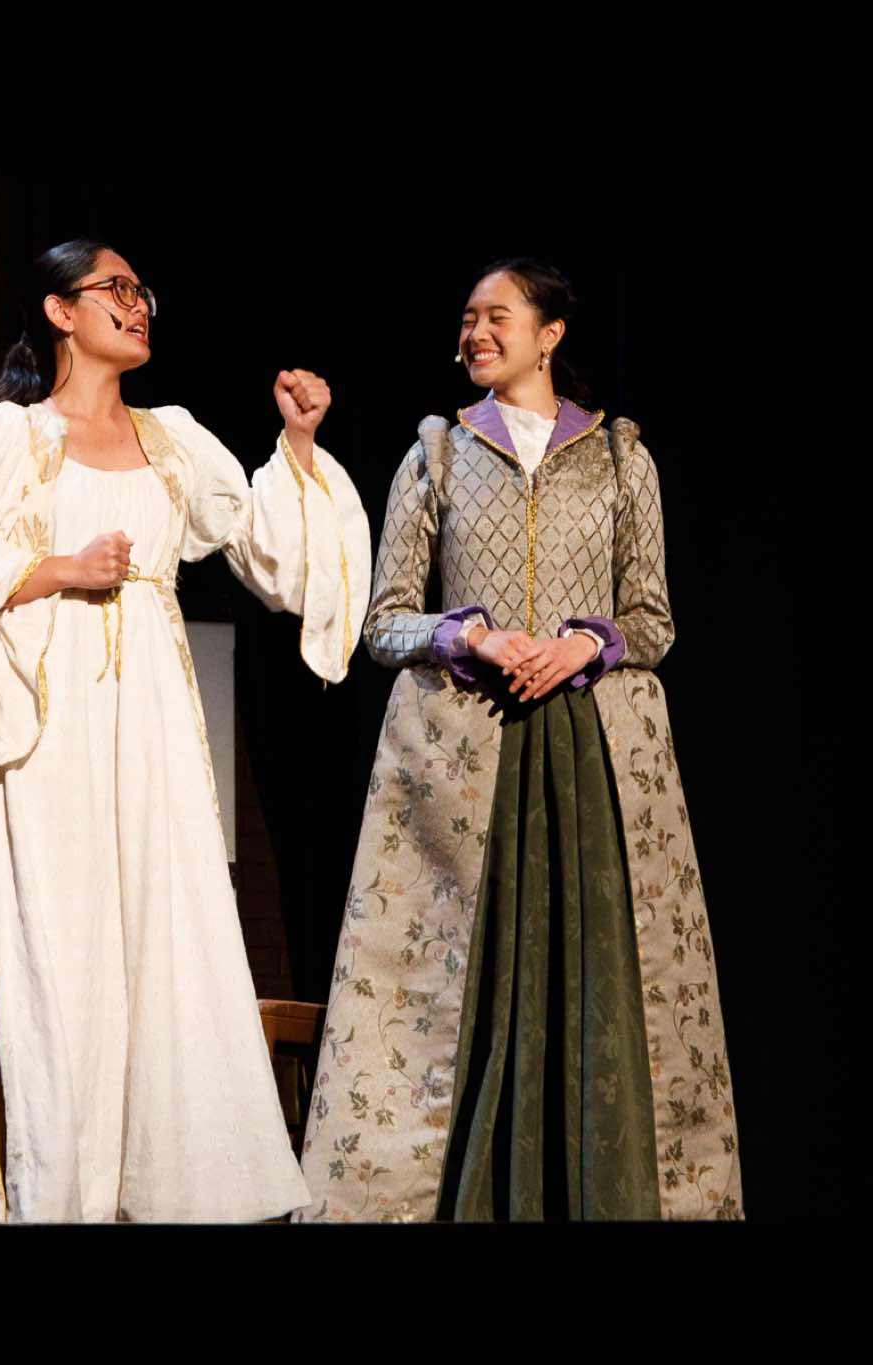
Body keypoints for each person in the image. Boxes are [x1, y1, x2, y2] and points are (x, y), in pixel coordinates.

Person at [0, 241, 369, 1221]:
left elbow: (271, 557)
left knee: (167, 930)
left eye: (141, 290)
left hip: (153, 717)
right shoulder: (7, 438)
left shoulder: (173, 438)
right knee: (59, 951)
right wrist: (62, 568)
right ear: (61, 311)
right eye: (114, 288)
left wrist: (297, 444)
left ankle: (167, 1193)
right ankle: (59, 1196)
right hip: (50, 718)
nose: (137, 303)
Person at [298, 260, 741, 1221]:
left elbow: (653, 620)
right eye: (467, 319)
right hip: (473, 758)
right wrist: (472, 637)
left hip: (590, 760)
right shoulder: (436, 453)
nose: (476, 333)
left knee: (597, 980)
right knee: (463, 988)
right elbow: (385, 623)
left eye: (497, 316)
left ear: (550, 335)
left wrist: (584, 642)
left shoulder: (620, 457)